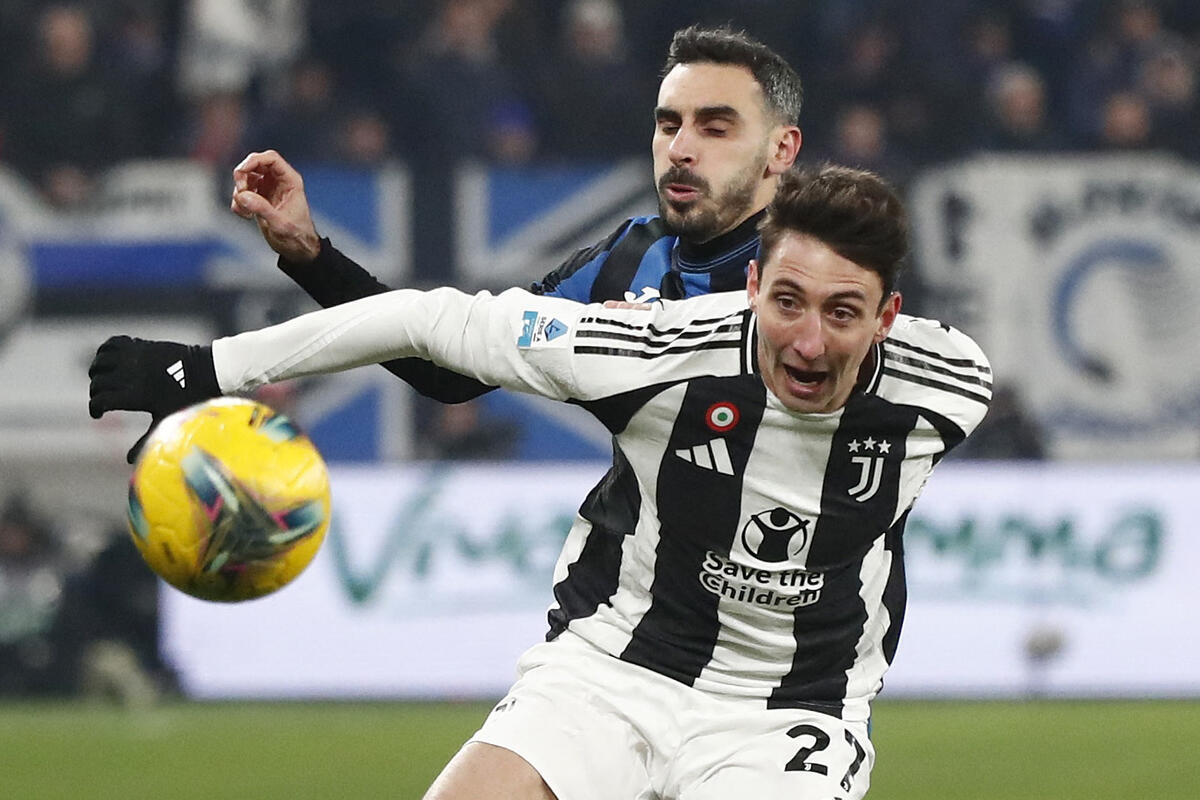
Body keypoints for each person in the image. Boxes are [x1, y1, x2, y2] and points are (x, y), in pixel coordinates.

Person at [89, 164, 993, 799]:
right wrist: (206, 369)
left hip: (793, 710)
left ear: (888, 317)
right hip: (614, 672)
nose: (808, 340)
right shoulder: (654, 349)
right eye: (787, 302)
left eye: (842, 313)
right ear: (752, 285)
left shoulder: (950, 387)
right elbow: (428, 323)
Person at [221, 25, 804, 419]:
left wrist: (662, 337)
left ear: (781, 149)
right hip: (638, 568)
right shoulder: (626, 259)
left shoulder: (830, 272)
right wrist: (309, 255)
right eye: (668, 124)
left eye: (715, 129)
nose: (679, 149)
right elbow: (448, 375)